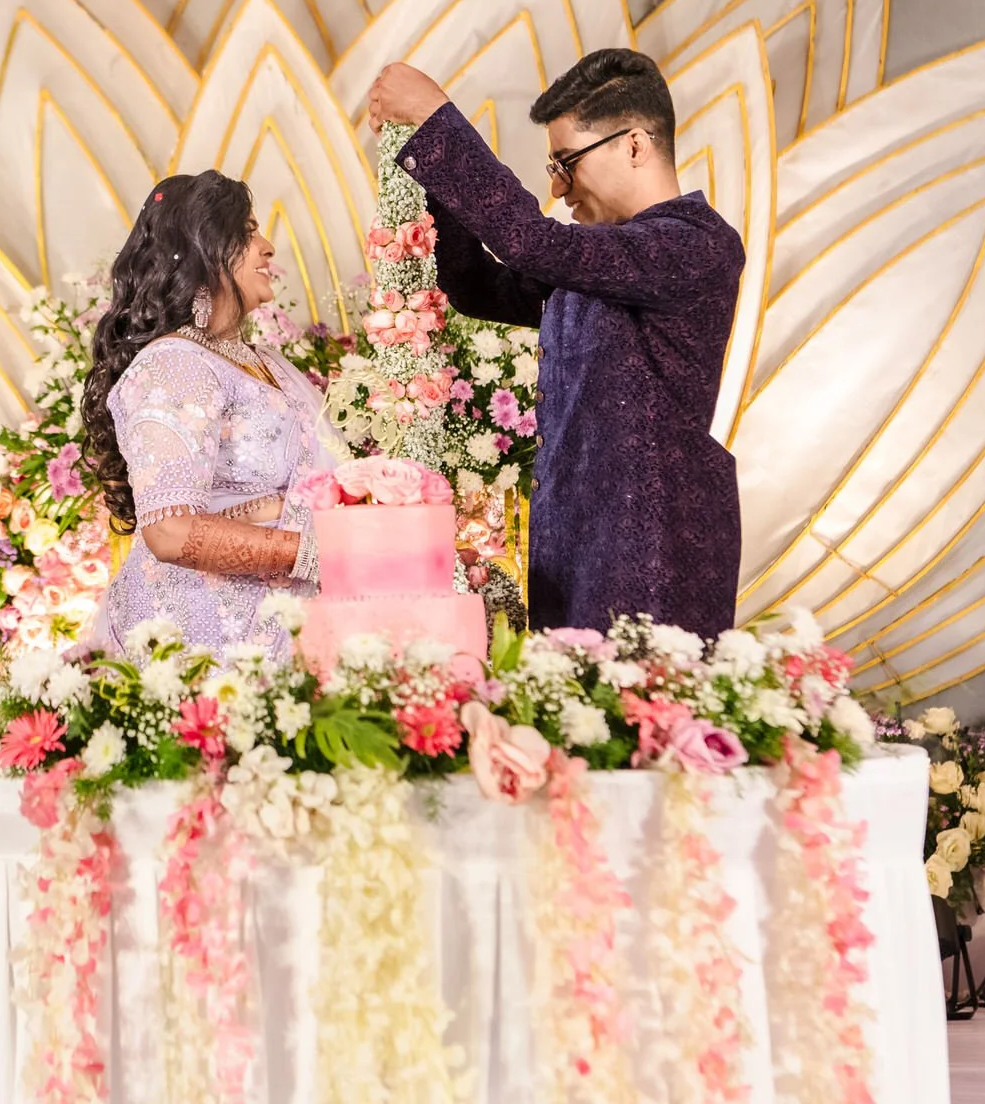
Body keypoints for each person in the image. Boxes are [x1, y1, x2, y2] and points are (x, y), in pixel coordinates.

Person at [367, 49, 744, 640]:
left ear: (635, 145)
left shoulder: (694, 245)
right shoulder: (604, 262)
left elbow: (530, 241)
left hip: (651, 553)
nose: (557, 186)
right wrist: (430, 166)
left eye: (567, 162)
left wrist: (434, 117)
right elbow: (477, 287)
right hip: (576, 548)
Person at [80, 170, 343, 658]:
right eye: (246, 233)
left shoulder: (269, 364)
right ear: (201, 251)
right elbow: (170, 530)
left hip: (287, 626)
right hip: (201, 645)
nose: (267, 248)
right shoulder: (175, 364)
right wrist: (317, 553)